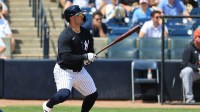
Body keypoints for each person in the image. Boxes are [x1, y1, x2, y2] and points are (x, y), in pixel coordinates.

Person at [42, 5, 98, 112]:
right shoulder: (65, 36)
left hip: (79, 70)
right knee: (64, 95)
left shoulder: (86, 33)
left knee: (92, 94)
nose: (82, 16)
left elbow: (90, 51)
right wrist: (85, 57)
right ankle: (48, 105)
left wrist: (88, 60)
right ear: (72, 18)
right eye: (79, 14)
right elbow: (66, 57)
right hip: (64, 70)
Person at [179, 28, 200, 104]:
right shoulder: (189, 48)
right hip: (191, 73)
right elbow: (185, 63)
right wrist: (198, 68)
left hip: (198, 72)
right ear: (195, 38)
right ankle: (189, 99)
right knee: (187, 70)